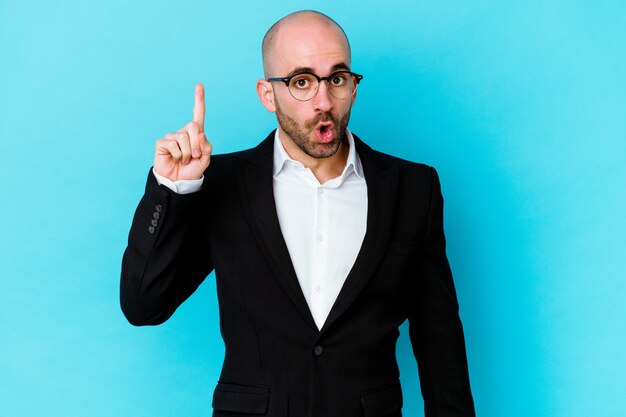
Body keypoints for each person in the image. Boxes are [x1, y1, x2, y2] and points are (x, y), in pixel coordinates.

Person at [120, 10, 475, 417]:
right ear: (267, 94)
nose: (323, 103)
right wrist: (174, 189)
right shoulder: (219, 184)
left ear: (353, 87)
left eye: (337, 79)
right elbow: (143, 305)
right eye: (301, 82)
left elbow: (439, 341)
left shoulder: (413, 188)